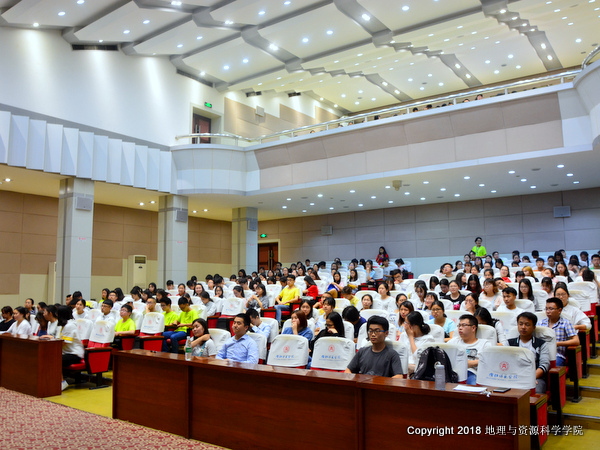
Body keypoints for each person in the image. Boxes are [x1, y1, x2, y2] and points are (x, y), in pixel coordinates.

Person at [508, 312, 550, 394]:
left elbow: (544, 365)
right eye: (520, 324)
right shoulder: (509, 343)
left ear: (534, 327)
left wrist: (531, 378)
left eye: (527, 324)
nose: (523, 327)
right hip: (513, 377)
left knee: (537, 390)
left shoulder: (541, 344)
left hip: (535, 377)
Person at [447, 314, 491, 385]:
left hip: (472, 373)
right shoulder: (453, 342)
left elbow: (489, 362)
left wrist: (464, 364)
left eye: (463, 325)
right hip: (453, 373)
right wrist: (473, 362)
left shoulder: (484, 344)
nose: (460, 328)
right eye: (459, 325)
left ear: (473, 328)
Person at [539, 298, 579, 366]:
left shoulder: (565, 323)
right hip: (541, 354)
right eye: (546, 309)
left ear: (559, 310)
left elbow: (576, 341)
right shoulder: (540, 323)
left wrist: (557, 344)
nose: (548, 311)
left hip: (557, 355)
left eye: (551, 309)